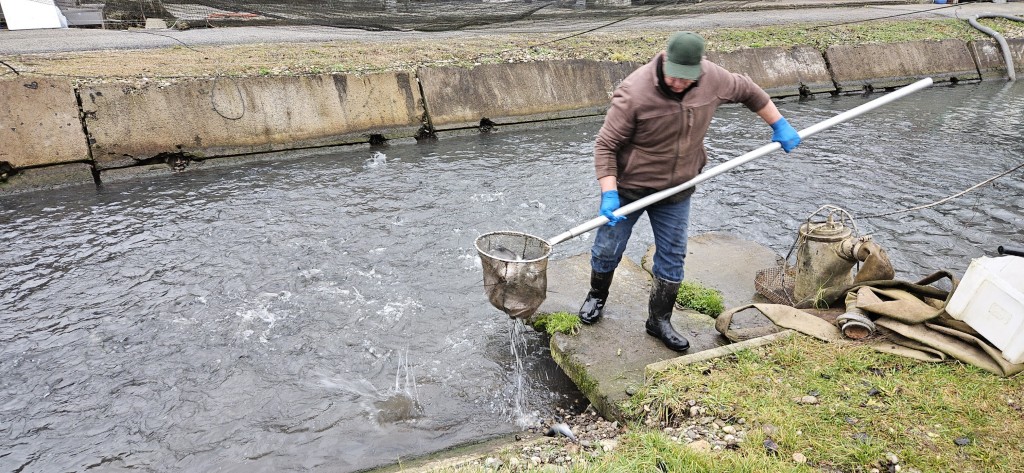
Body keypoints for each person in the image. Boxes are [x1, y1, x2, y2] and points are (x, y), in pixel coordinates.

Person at [579, 31, 801, 352]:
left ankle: (659, 321)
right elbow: (605, 145)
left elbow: (750, 92)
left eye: (687, 78)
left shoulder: (713, 78)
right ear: (664, 60)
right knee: (608, 248)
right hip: (629, 187)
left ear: (699, 68)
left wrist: (778, 124)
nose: (679, 83)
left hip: (677, 188)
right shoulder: (634, 92)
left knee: (672, 257)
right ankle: (597, 296)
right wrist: (609, 193)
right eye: (674, 76)